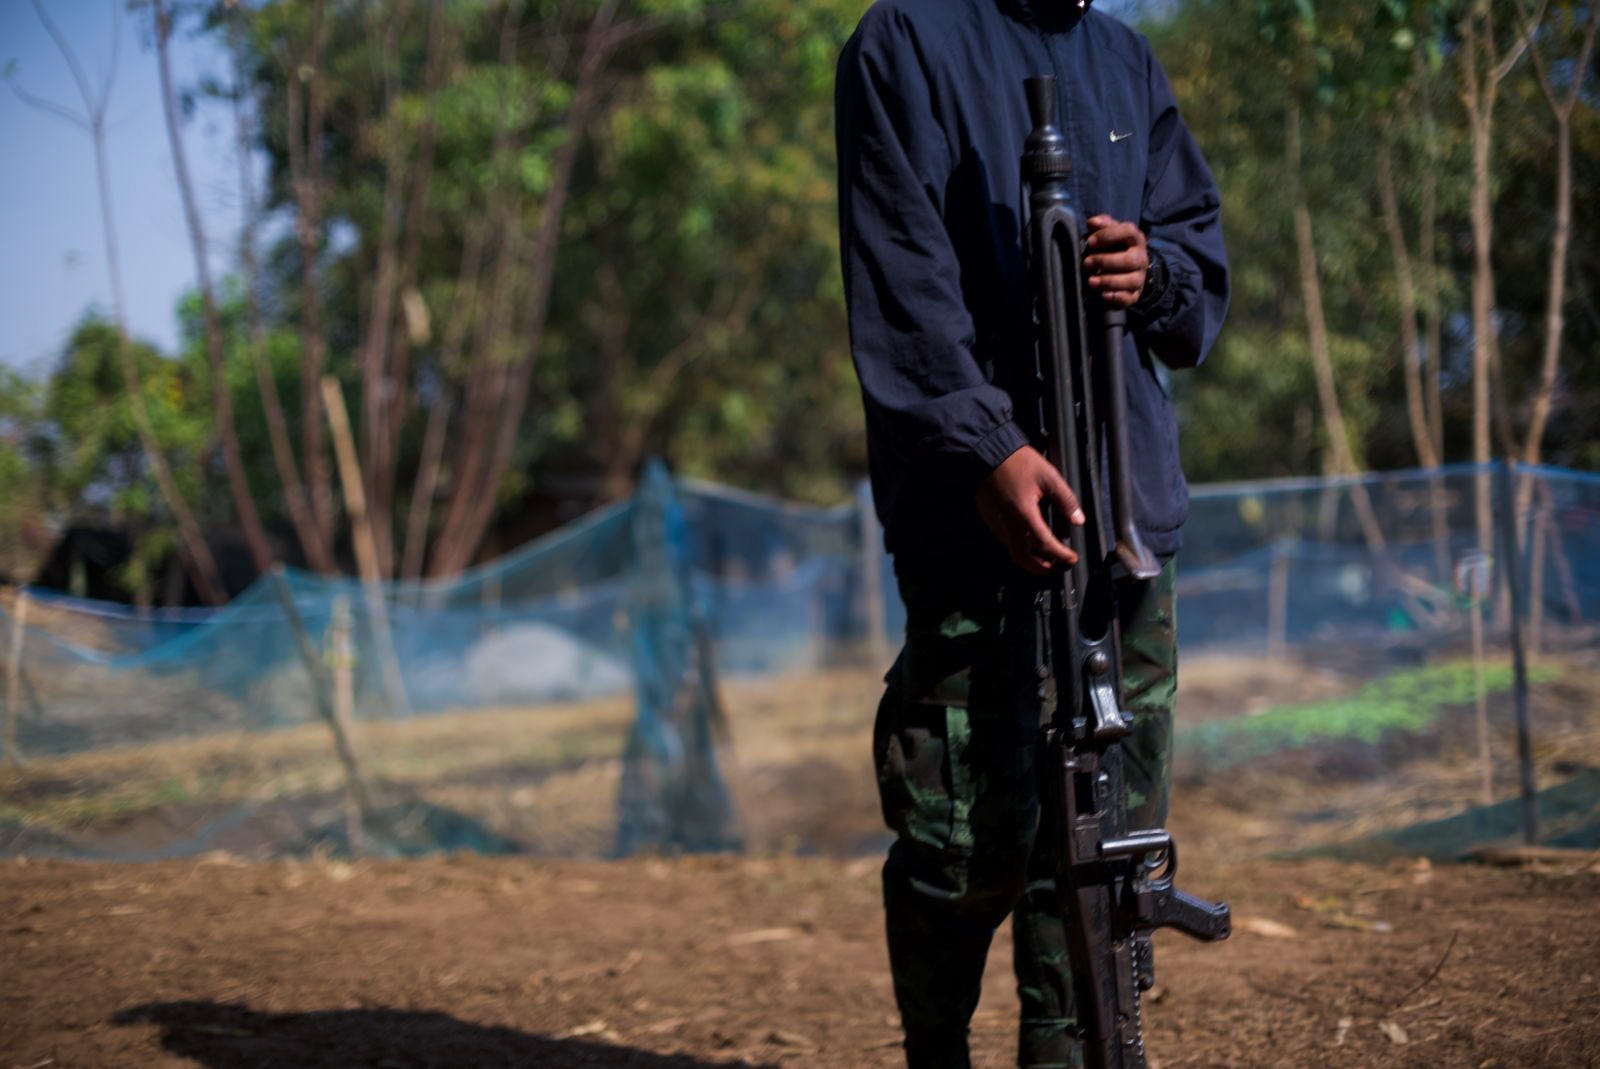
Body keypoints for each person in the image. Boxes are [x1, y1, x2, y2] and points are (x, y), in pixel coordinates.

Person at [834, 1, 1229, 1067]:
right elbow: (899, 282)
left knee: (1100, 851)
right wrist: (986, 451)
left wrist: (1153, 273)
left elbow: (1198, 280)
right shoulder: (903, 44)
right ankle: (935, 1053)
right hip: (978, 525)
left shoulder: (1124, 60)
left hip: (1123, 530)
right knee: (966, 843)